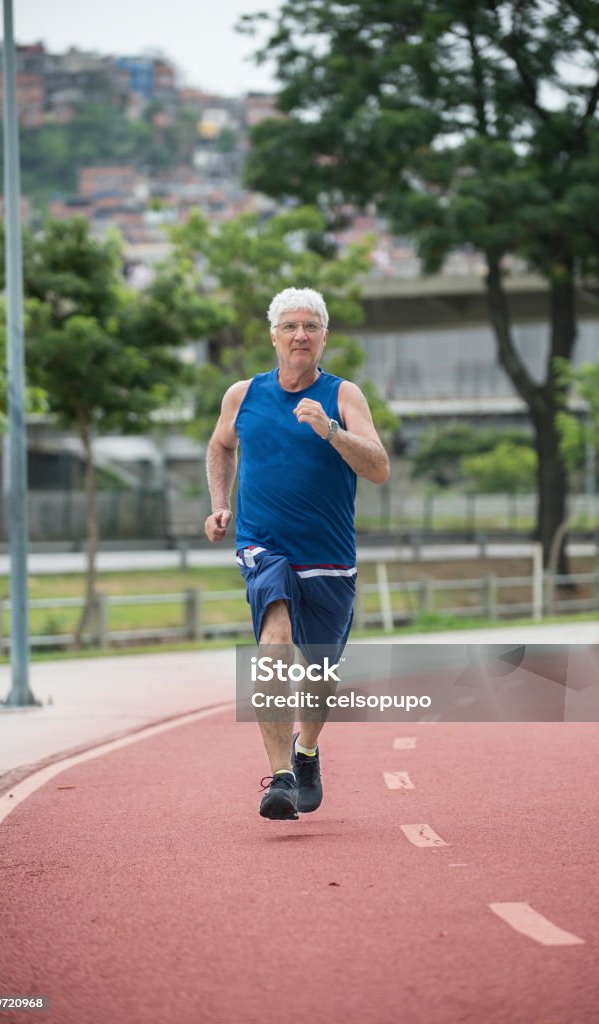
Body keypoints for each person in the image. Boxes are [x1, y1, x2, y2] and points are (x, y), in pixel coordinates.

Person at [204, 287, 389, 820]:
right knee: (274, 637)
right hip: (265, 547)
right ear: (274, 336)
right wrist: (221, 505)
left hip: (329, 557)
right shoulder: (243, 395)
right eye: (290, 326)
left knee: (319, 674)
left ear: (324, 337)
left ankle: (307, 750)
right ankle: (280, 775)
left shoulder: (343, 395)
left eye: (310, 326)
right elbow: (220, 445)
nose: (300, 335)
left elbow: (378, 468)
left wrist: (330, 431)